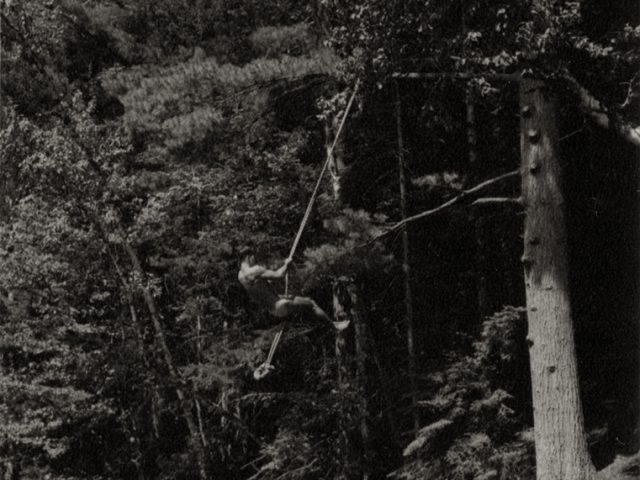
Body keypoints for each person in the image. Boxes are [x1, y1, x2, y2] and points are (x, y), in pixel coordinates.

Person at [237, 254, 349, 331]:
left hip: (273, 308)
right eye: (253, 258)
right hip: (280, 305)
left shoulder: (240, 276)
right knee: (311, 305)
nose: (254, 260)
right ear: (248, 257)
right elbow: (279, 275)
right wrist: (286, 264)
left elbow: (261, 287)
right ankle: (334, 326)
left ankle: (331, 324)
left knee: (304, 302)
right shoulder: (256, 269)